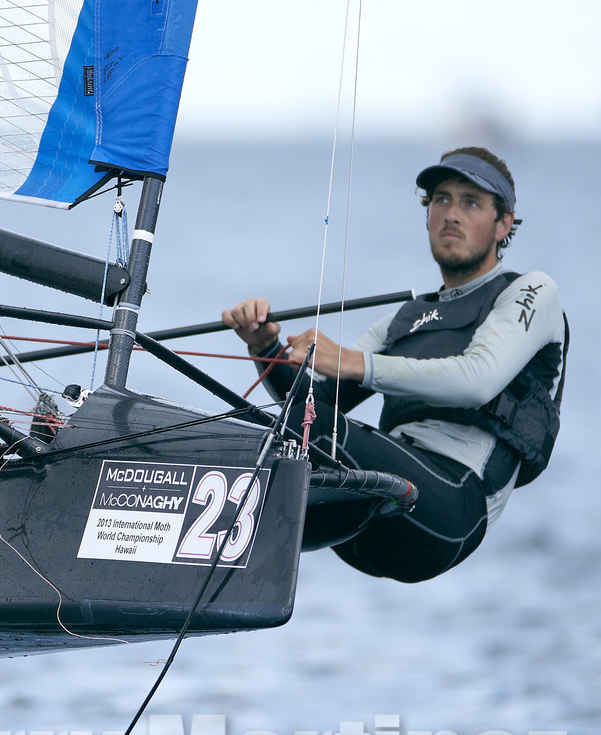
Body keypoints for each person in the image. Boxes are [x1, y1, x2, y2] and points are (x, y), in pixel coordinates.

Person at [222, 147, 568, 582]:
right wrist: (265, 348)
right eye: (441, 199)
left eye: (471, 202)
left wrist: (354, 362)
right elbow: (312, 406)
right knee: (286, 432)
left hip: (450, 512)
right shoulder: (401, 322)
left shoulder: (531, 291)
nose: (451, 214)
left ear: (503, 224)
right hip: (370, 527)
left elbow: (479, 380)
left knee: (321, 434)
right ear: (427, 215)